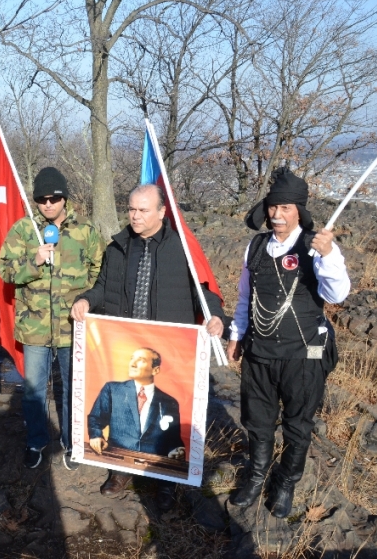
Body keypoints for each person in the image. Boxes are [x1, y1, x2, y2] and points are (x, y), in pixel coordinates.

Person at [71, 184, 225, 511]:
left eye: (143, 210)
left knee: (163, 417)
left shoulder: (182, 248)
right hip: (125, 344)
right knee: (126, 413)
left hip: (168, 348)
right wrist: (85, 300)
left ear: (161, 212)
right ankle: (120, 472)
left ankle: (165, 479)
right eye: (131, 209)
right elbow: (101, 289)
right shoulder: (117, 247)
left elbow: (204, 292)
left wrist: (216, 317)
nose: (135, 216)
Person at [227, 167, 349, 518]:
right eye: (272, 207)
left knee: (298, 424)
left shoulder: (317, 246)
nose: (277, 215)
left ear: (299, 211)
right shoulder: (256, 246)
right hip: (260, 353)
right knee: (258, 421)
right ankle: (256, 477)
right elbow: (244, 299)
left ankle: (287, 483)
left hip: (303, 355)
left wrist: (327, 256)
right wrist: (237, 337)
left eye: (285, 209)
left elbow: (337, 294)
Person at [0, 167, 104, 471]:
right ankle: (36, 441)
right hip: (35, 327)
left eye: (53, 198)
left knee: (73, 388)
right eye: (42, 199)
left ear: (64, 197)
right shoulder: (23, 230)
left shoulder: (85, 230)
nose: (48, 204)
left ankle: (72, 443)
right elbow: (5, 270)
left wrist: (87, 300)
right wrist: (35, 260)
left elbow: (100, 271)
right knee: (33, 390)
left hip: (73, 328)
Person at [87, 348, 185, 460]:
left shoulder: (169, 402)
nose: (133, 364)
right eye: (132, 359)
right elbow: (96, 418)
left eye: (141, 360)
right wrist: (96, 435)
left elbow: (173, 439)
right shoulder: (112, 389)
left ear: (155, 370)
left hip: (154, 463)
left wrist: (177, 450)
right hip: (118, 457)